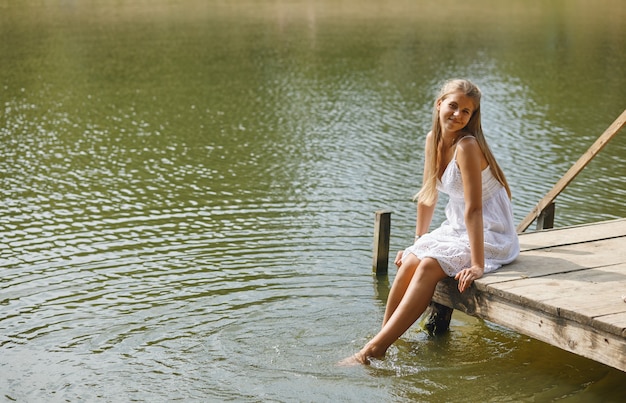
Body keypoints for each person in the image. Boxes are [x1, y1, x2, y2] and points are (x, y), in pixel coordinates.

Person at [340, 79, 520, 366]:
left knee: (428, 264)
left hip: (490, 229)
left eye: (467, 111)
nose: (458, 115)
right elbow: (428, 196)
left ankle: (372, 352)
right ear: (439, 105)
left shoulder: (468, 146)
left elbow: (474, 210)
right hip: (458, 224)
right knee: (412, 259)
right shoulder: (432, 140)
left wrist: (477, 265)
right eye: (453, 106)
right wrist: (418, 243)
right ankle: (386, 337)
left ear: (473, 117)